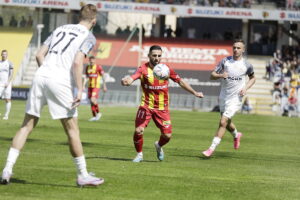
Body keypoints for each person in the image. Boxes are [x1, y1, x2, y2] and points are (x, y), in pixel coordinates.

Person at [0, 4, 104, 186]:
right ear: (93, 21)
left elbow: (39, 55)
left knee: (26, 126)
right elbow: (78, 62)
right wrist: (79, 89)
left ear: (79, 17)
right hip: (61, 79)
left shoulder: (60, 29)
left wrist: (47, 76)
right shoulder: (88, 36)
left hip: (41, 75)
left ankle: (7, 170)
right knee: (72, 129)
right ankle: (83, 175)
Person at [121, 45, 204, 163]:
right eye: (154, 55)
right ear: (149, 55)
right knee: (138, 130)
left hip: (162, 108)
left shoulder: (166, 69)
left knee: (167, 136)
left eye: (159, 56)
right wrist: (126, 81)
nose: (157, 58)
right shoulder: (142, 69)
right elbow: (132, 78)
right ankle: (139, 154)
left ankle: (159, 145)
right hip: (146, 106)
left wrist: (194, 92)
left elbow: (180, 81)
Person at [202, 39, 256, 158]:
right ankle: (237, 135)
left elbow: (253, 78)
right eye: (234, 47)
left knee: (223, 121)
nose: (236, 50)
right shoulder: (225, 61)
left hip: (236, 98)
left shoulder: (247, 65)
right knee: (226, 122)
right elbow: (212, 75)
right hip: (223, 96)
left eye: (238, 48)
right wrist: (221, 75)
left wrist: (246, 88)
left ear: (243, 50)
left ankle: (211, 149)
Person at [84, 55, 107, 121]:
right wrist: (83, 85)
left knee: (92, 99)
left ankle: (99, 113)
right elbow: (86, 77)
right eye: (90, 60)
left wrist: (104, 85)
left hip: (96, 86)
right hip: (89, 86)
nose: (91, 61)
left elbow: (103, 76)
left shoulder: (98, 67)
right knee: (92, 102)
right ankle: (94, 116)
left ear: (94, 60)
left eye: (92, 60)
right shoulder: (87, 67)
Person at [0, 50, 14, 120]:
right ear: (1, 55)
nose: (4, 55)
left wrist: (8, 82)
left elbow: (11, 74)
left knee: (7, 99)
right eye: (3, 54)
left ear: (7, 55)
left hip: (7, 83)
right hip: (0, 83)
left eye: (5, 54)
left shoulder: (10, 63)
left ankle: (6, 115)